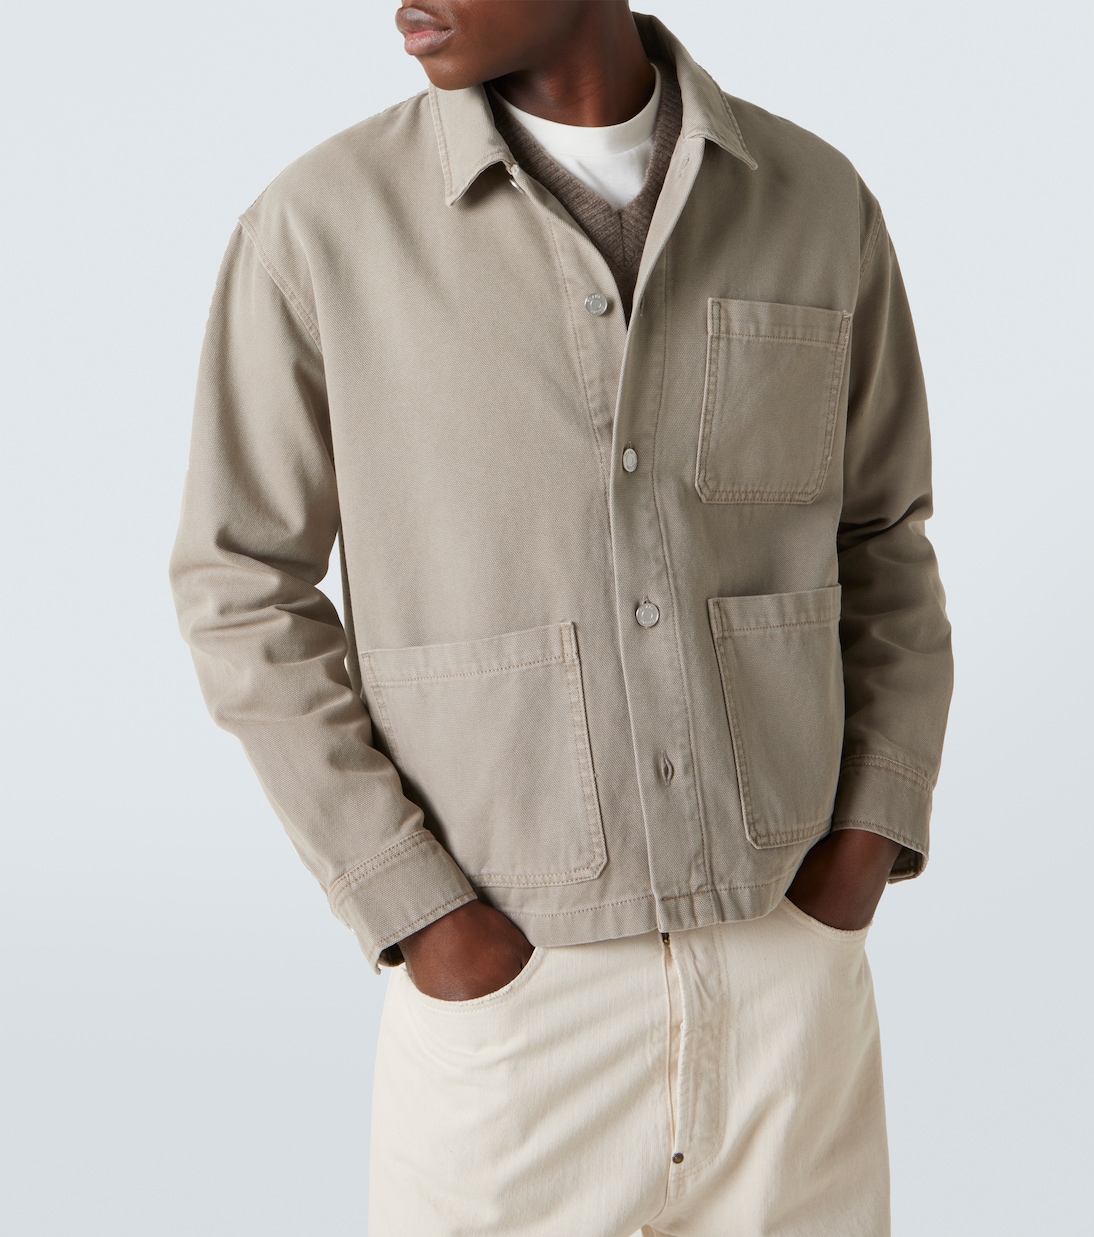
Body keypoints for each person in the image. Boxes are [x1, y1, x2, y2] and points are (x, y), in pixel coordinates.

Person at [170, 3, 953, 1233]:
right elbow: (239, 583)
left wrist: (865, 836)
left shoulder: (812, 200)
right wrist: (419, 911)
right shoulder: (319, 227)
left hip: (786, 977)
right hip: (510, 1002)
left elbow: (881, 535)